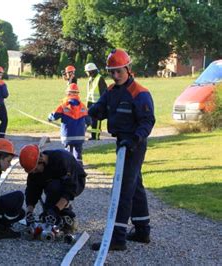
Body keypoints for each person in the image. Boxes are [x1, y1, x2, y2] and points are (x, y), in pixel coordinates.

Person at [88, 49, 155, 251]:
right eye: (112, 72)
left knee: (122, 189)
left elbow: (147, 121)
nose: (115, 76)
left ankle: (117, 239)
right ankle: (142, 231)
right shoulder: (111, 91)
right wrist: (86, 114)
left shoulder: (140, 93)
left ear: (128, 69)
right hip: (121, 142)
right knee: (135, 185)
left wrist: (134, 140)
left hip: (134, 145)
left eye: (119, 71)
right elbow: (99, 109)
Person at [19, 144, 86, 234]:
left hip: (76, 180)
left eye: (35, 169)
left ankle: (68, 218)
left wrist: (55, 210)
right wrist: (29, 212)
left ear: (41, 160)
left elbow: (69, 191)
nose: (34, 172)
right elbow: (32, 190)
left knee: (54, 188)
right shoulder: (35, 167)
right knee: (50, 195)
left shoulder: (61, 160)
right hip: (53, 181)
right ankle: (53, 213)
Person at [48, 83, 87, 166]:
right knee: (78, 155)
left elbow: (54, 116)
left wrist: (49, 118)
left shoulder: (63, 106)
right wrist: (84, 127)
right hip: (80, 136)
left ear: (68, 93)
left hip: (67, 136)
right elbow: (89, 120)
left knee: (68, 154)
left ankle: (68, 169)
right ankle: (79, 169)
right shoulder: (83, 107)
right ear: (77, 93)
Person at [84, 62, 107, 140]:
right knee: (92, 120)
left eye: (87, 71)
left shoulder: (100, 78)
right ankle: (93, 135)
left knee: (96, 120)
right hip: (91, 103)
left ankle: (95, 136)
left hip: (98, 103)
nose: (86, 73)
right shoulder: (90, 79)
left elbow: (104, 92)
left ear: (91, 71)